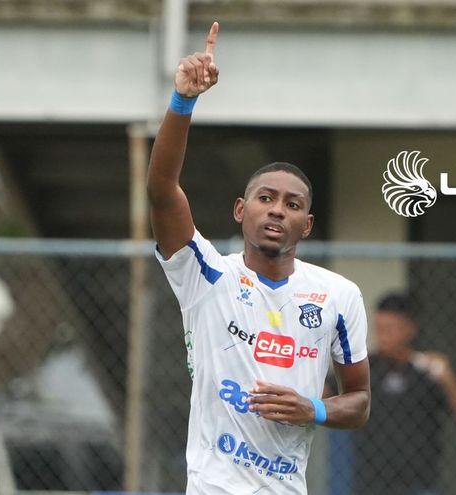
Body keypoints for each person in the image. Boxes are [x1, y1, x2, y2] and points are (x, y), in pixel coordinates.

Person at [148, 22, 371, 494]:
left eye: (293, 204)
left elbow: (360, 401)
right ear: (240, 210)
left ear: (306, 225)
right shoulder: (207, 275)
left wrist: (313, 408)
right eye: (265, 198)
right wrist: (183, 101)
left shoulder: (338, 295)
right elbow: (162, 192)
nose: (277, 210)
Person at [352, 292, 456, 495]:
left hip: (420, 485)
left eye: (390, 329)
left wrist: (448, 379)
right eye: (379, 329)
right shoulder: (363, 369)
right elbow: (325, 394)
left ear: (410, 329)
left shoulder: (429, 372)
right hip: (370, 486)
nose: (382, 337)